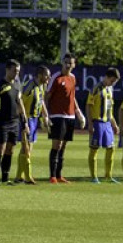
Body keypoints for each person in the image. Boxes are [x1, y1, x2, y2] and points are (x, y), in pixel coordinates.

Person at [45, 53, 86, 183]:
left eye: (71, 63)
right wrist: (46, 115)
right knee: (57, 145)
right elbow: (46, 97)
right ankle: (52, 176)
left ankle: (59, 175)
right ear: (62, 63)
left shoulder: (73, 78)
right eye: (66, 62)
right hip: (57, 115)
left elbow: (72, 97)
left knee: (64, 146)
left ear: (74, 65)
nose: (68, 65)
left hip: (70, 116)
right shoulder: (56, 78)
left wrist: (78, 113)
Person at [0, 59, 26, 185]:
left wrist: (24, 121)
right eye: (14, 71)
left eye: (18, 71)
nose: (16, 74)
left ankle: (6, 177)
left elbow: (20, 103)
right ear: (7, 70)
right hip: (1, 122)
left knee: (10, 150)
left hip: (14, 122)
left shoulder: (17, 85)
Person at [14, 66, 50, 184]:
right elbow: (20, 103)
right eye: (46, 75)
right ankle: (28, 177)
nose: (48, 78)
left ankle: (19, 176)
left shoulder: (42, 86)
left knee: (26, 149)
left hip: (34, 120)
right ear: (39, 75)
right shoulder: (29, 87)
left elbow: (41, 101)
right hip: (27, 119)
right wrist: (24, 121)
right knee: (26, 149)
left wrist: (45, 116)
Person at [86, 67, 121, 184]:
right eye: (112, 80)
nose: (113, 83)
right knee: (94, 149)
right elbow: (89, 106)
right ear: (106, 77)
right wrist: (90, 123)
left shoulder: (110, 89)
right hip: (97, 122)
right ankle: (94, 177)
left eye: (114, 81)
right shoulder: (96, 88)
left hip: (107, 123)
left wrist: (114, 124)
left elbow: (110, 109)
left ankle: (108, 175)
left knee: (111, 148)